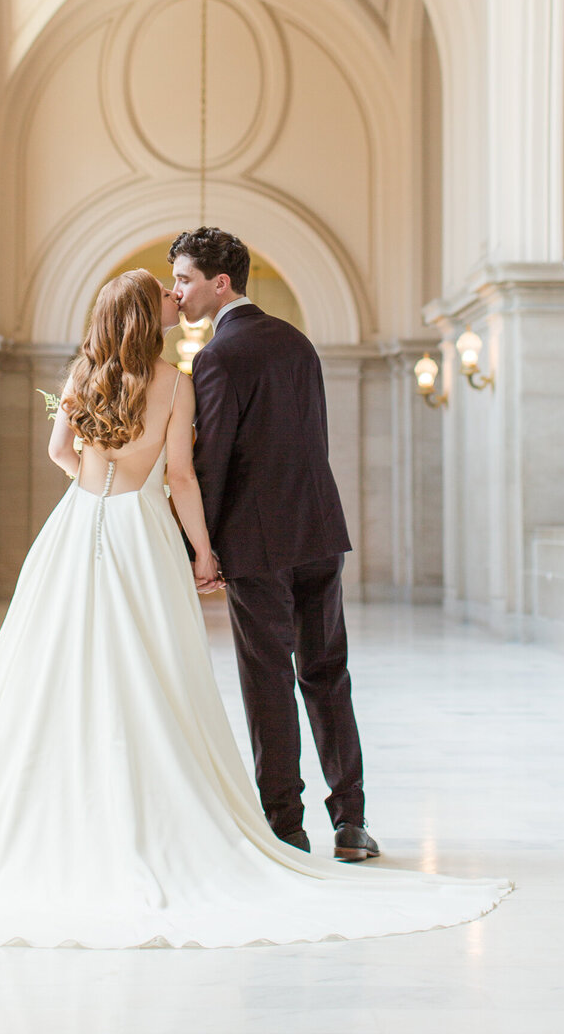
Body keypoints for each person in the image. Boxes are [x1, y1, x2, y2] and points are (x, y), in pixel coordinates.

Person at [0, 269, 508, 947]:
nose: (174, 299)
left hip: (75, 528)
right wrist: (202, 551)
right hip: (137, 531)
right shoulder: (175, 383)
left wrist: (89, 494)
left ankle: (62, 803)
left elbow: (60, 451)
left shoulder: (84, 373)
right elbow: (183, 479)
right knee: (149, 670)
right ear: (146, 317)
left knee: (60, 667)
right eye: (163, 296)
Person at [171, 227, 374, 860]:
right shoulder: (298, 343)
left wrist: (195, 548)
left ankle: (286, 826)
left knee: (267, 681)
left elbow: (214, 465)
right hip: (319, 530)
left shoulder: (217, 358)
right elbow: (317, 438)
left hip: (258, 542)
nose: (176, 293)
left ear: (219, 282)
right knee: (327, 673)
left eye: (183, 279)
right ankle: (351, 822)